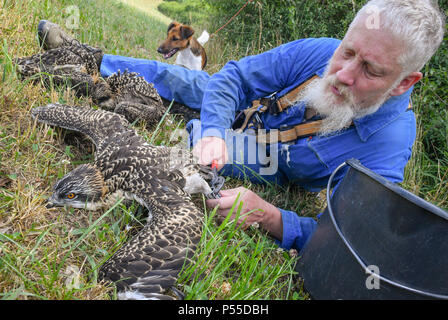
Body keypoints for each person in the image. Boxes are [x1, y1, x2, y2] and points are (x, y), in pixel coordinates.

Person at [38, 0, 445, 252]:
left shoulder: (388, 146)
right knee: (188, 81)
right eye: (348, 52)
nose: (342, 74)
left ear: (404, 83)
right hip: (241, 111)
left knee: (200, 158)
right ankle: (87, 60)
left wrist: (271, 217)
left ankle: (171, 116)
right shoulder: (320, 50)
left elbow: (344, 237)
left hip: (268, 157)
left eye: (370, 70)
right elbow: (233, 77)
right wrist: (215, 128)